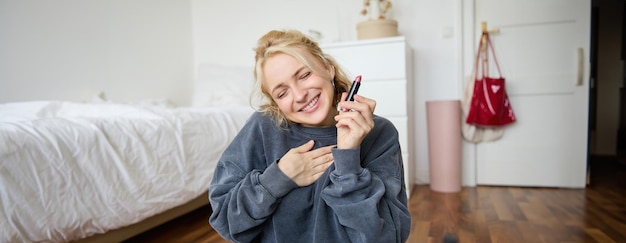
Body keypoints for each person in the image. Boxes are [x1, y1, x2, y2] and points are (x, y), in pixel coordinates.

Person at [208, 29, 411, 243]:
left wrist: (348, 159)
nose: (300, 95)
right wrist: (278, 178)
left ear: (328, 68)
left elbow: (388, 237)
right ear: (274, 102)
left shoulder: (379, 133)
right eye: (282, 93)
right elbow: (226, 221)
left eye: (304, 75)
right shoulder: (262, 128)